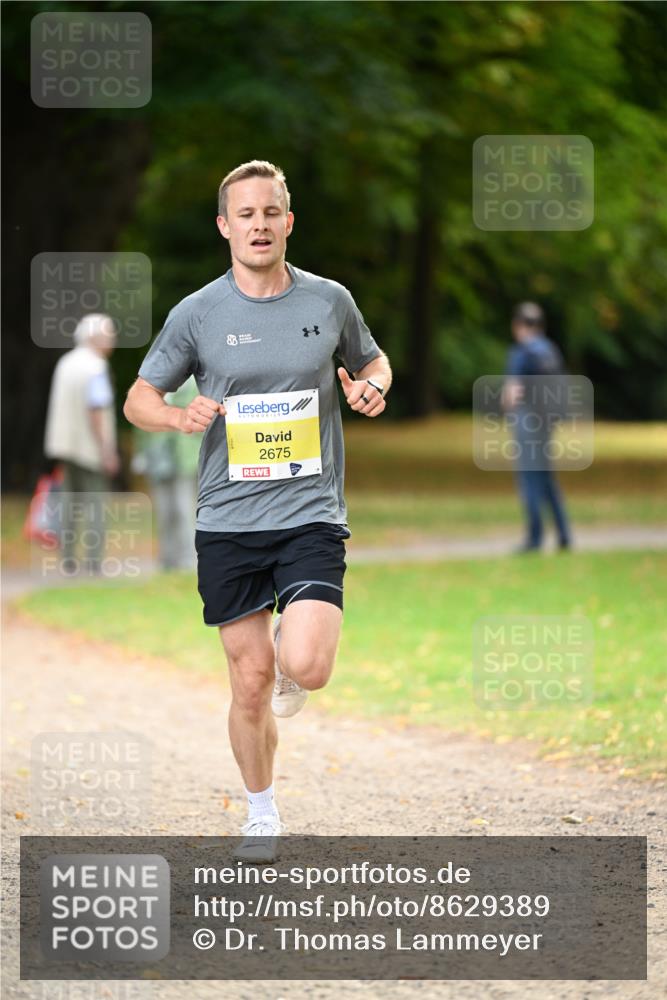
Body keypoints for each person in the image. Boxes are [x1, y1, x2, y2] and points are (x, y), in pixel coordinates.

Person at [124, 160, 392, 860]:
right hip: (227, 521)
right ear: (225, 226)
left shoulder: (329, 301)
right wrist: (177, 417)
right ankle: (261, 811)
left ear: (288, 221)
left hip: (310, 511)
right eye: (245, 215)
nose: (259, 225)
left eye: (270, 212)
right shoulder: (197, 313)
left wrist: (372, 388)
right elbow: (139, 398)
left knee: (307, 665)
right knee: (249, 684)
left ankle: (289, 655)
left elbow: (374, 362)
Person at [44, 313, 120, 574]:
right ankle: (94, 562)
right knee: (95, 504)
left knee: (69, 503)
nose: (113, 339)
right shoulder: (96, 367)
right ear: (94, 337)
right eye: (109, 334)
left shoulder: (65, 363)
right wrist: (107, 451)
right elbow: (96, 410)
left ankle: (67, 559)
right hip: (90, 449)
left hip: (65, 446)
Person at [502, 301, 571, 553]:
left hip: (527, 421)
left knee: (529, 479)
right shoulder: (550, 349)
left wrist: (507, 410)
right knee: (546, 477)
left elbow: (512, 392)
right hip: (547, 423)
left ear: (518, 324)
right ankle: (564, 533)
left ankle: (534, 538)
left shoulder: (521, 352)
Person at [132, 375, 200, 571]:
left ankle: (189, 558)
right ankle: (167, 559)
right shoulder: (152, 382)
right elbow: (140, 418)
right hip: (157, 458)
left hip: (185, 458)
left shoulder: (195, 384)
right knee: (163, 511)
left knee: (184, 509)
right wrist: (140, 453)